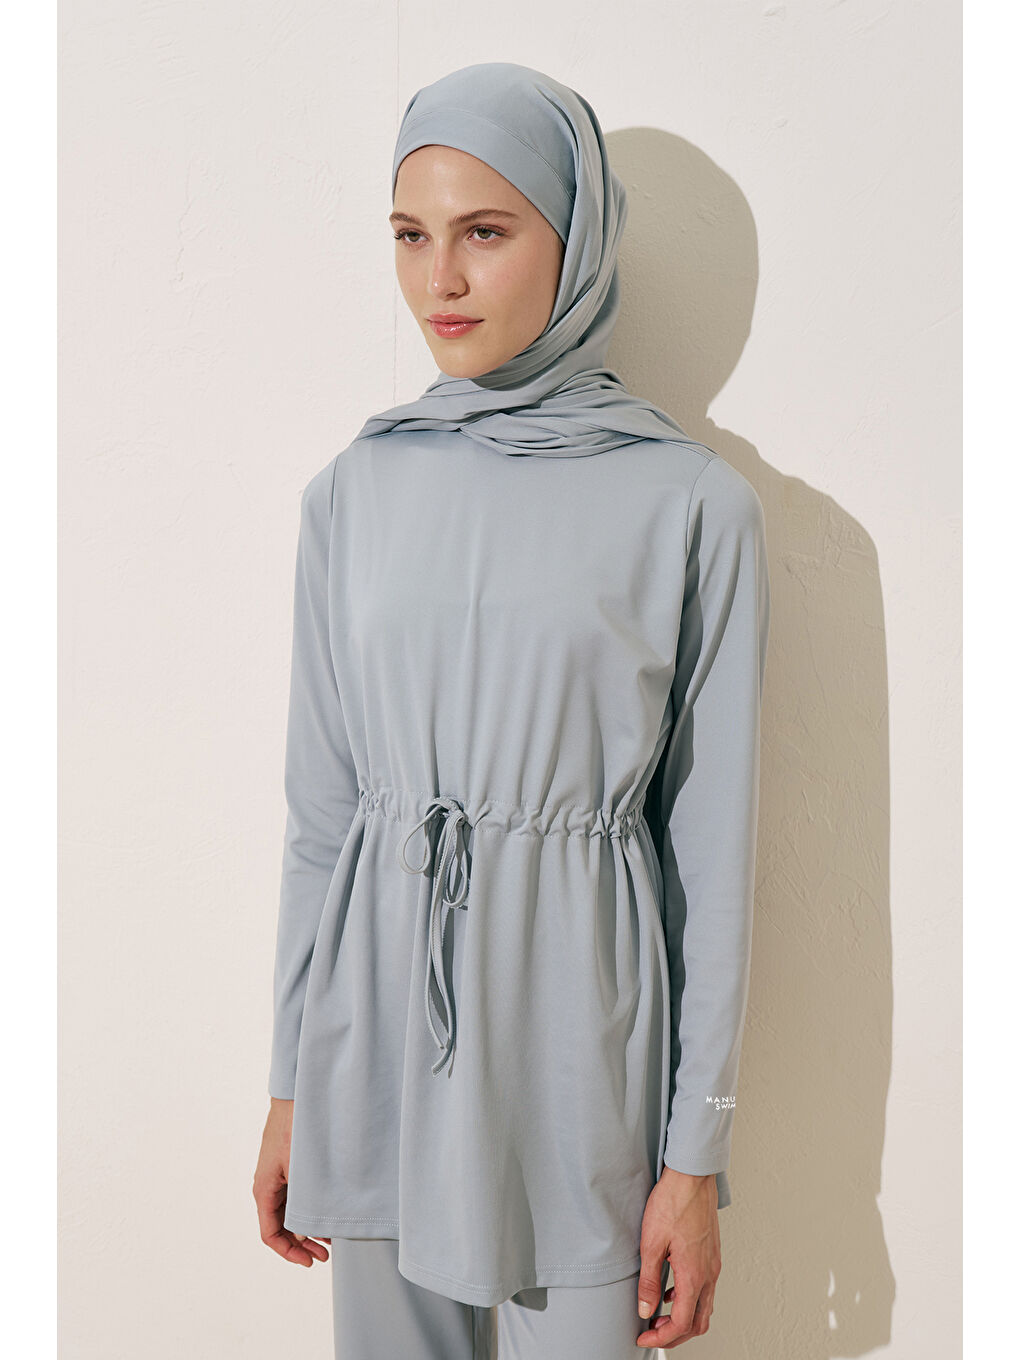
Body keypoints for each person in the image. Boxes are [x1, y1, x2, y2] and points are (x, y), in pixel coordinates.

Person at [252, 61, 770, 1358]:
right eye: (409, 235)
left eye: (485, 232)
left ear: (575, 236)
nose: (440, 279)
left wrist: (695, 1159)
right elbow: (321, 819)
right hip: (376, 1043)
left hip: (578, 1062)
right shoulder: (353, 491)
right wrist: (290, 1085)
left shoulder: (689, 504)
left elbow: (711, 857)